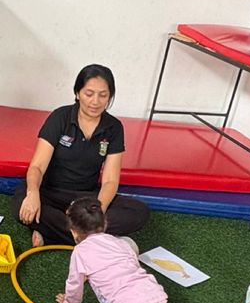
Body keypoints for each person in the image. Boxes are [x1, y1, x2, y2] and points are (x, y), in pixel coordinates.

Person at [14, 64, 150, 248]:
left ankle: (56, 234)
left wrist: (97, 212)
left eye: (103, 95)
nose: (95, 102)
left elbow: (110, 180)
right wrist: (33, 194)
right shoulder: (60, 117)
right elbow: (37, 166)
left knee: (138, 212)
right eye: (89, 94)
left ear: (110, 96)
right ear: (77, 93)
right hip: (51, 193)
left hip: (87, 200)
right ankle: (96, 237)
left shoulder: (114, 127)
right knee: (21, 205)